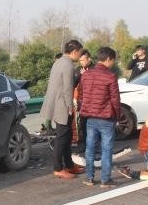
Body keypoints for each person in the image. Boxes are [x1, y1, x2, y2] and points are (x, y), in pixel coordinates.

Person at [79, 46, 121, 188]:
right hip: (106, 117)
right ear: (108, 59)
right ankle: (105, 179)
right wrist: (118, 116)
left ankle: (89, 178)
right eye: (112, 61)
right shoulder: (110, 76)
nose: (112, 64)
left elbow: (82, 96)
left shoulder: (86, 75)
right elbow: (115, 99)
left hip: (90, 117)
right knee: (106, 149)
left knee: (90, 148)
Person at [41, 40, 84, 179]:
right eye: (80, 52)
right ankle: (58, 168)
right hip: (62, 104)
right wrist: (70, 107)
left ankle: (69, 165)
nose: (80, 55)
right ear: (74, 52)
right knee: (62, 137)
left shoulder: (59, 61)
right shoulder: (68, 65)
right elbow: (67, 88)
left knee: (67, 136)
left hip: (57, 102)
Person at [73, 50, 94, 152]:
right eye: (80, 60)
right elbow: (73, 84)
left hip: (93, 101)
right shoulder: (78, 69)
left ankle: (95, 145)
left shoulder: (95, 69)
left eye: (83, 60)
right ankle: (85, 144)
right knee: (83, 124)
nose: (81, 62)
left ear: (89, 59)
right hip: (82, 100)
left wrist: (86, 74)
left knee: (94, 124)